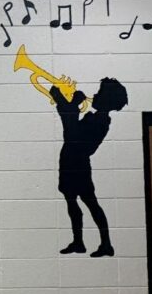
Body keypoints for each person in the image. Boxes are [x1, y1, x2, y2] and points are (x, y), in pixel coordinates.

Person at [52, 78, 127, 257]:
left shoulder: (99, 121)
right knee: (73, 201)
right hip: (72, 161)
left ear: (107, 100)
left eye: (99, 93)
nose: (94, 95)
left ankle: (104, 244)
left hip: (77, 163)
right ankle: (80, 242)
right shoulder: (97, 119)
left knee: (90, 203)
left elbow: (72, 133)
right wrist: (69, 104)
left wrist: (65, 101)